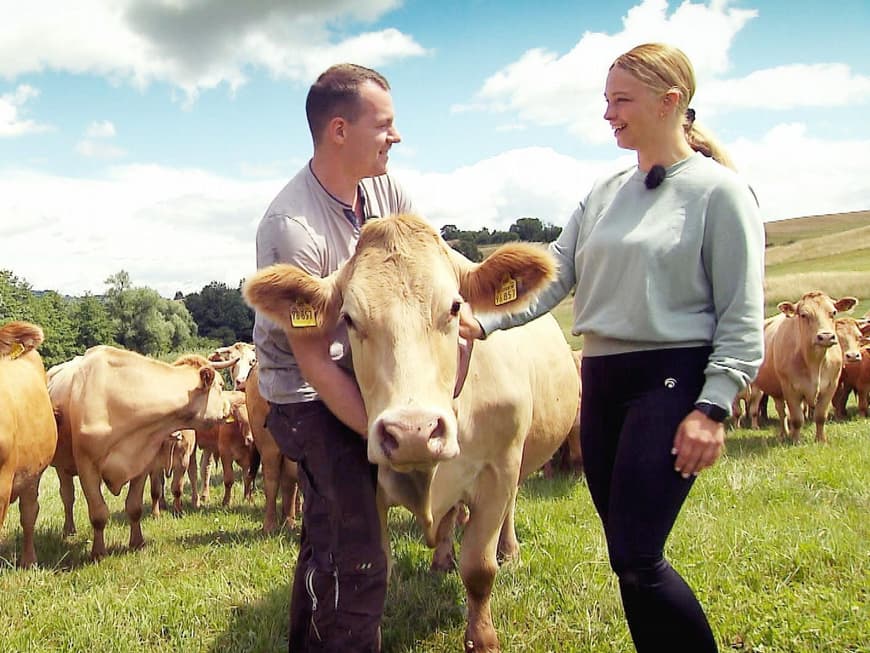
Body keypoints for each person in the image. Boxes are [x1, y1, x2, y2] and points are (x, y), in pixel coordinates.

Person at [461, 43, 764, 652]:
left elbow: (741, 314)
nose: (607, 114)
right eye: (606, 100)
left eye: (621, 100)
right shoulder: (602, 192)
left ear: (669, 102)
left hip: (669, 380)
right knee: (626, 556)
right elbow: (554, 276)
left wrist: (712, 407)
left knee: (638, 554)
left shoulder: (719, 193)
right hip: (599, 382)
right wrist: (482, 322)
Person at [253, 63, 415, 652]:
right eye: (385, 124)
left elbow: (418, 271)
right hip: (307, 397)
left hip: (360, 376)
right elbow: (313, 360)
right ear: (339, 130)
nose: (397, 136)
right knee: (359, 555)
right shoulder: (292, 227)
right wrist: (382, 431)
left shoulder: (386, 193)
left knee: (329, 532)